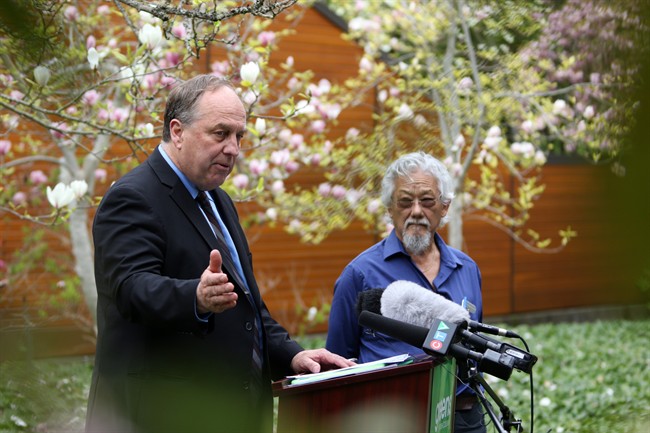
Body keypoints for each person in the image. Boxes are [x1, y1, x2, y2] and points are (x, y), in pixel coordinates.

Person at [86, 74, 354, 433]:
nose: (233, 149)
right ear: (177, 131)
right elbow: (131, 289)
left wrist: (292, 354)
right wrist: (194, 298)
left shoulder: (219, 200)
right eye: (220, 133)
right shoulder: (133, 197)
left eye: (239, 136)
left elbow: (246, 308)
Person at [326, 151, 486, 433]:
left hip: (465, 419)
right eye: (404, 201)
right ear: (389, 208)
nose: (415, 211)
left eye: (426, 201)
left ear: (444, 206)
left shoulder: (468, 269)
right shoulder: (359, 274)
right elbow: (338, 361)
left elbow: (475, 345)